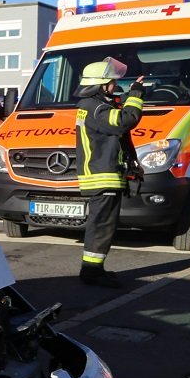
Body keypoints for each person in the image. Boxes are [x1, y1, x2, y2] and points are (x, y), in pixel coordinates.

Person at [75, 58, 145, 288]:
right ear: (101, 85)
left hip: (101, 175)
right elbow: (126, 121)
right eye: (112, 83)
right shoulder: (95, 108)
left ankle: (94, 269)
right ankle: (92, 272)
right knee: (102, 226)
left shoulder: (93, 106)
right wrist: (135, 94)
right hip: (102, 176)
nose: (116, 86)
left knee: (102, 225)